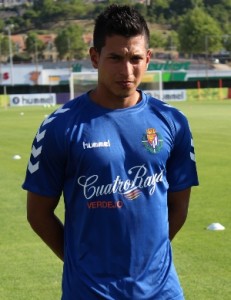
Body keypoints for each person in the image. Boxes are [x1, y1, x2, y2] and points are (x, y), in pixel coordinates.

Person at [22, 4, 199, 300]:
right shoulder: (59, 127)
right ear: (95, 57)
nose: (126, 71)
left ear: (149, 58)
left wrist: (149, 261)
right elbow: (38, 214)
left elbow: (179, 208)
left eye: (135, 59)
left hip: (162, 291)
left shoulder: (173, 122)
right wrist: (81, 264)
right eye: (115, 58)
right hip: (89, 292)